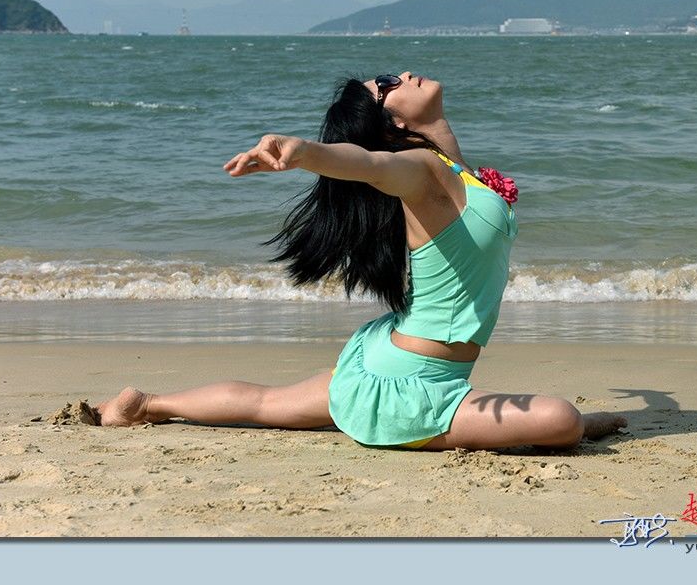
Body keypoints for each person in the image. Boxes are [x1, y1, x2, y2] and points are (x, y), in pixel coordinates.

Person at [97, 72, 627, 450]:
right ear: (390, 124)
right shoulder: (419, 171)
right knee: (562, 420)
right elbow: (369, 164)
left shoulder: (453, 171)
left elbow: (415, 162)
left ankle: (148, 405)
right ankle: (577, 425)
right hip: (414, 379)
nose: (405, 75)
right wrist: (305, 152)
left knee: (269, 405)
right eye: (388, 85)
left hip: (396, 354)